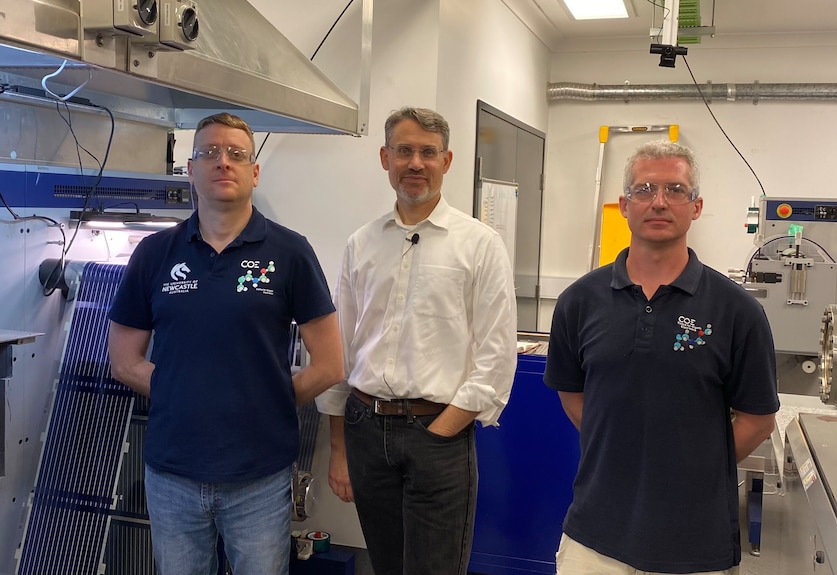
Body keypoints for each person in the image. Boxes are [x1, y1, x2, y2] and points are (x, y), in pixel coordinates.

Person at [107, 112, 343, 575]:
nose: (223, 162)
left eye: (237, 154)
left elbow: (330, 364)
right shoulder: (154, 254)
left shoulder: (290, 252)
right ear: (190, 170)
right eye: (209, 152)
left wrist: (268, 401)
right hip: (172, 474)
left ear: (254, 172)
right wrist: (183, 395)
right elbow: (122, 360)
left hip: (260, 478)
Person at [544, 140, 779, 575]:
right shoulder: (579, 301)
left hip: (694, 543)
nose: (658, 201)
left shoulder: (737, 311)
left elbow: (758, 418)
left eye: (675, 190)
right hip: (593, 538)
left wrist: (693, 464)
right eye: (644, 189)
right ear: (624, 205)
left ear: (696, 206)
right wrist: (623, 449)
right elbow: (573, 393)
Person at [315, 106, 518, 575]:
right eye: (404, 151)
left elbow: (495, 355)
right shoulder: (361, 243)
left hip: (438, 433)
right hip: (366, 428)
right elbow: (342, 347)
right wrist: (341, 450)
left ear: (446, 161)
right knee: (386, 565)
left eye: (428, 152)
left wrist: (442, 431)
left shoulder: (479, 244)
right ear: (385, 158)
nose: (415, 163)